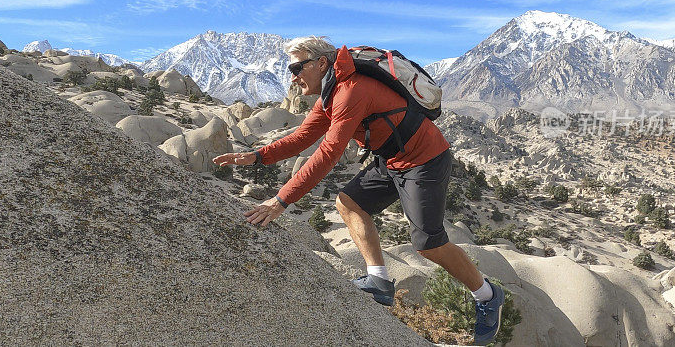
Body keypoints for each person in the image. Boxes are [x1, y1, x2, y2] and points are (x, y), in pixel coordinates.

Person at [213, 36, 505, 344]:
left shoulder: (350, 92)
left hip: (424, 159)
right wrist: (258, 156)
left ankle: (487, 294)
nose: (293, 76)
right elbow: (302, 137)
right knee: (348, 202)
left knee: (428, 243)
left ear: (320, 63)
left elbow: (327, 154)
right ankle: (379, 280)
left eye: (297, 67)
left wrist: (280, 202)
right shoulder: (330, 93)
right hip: (391, 158)